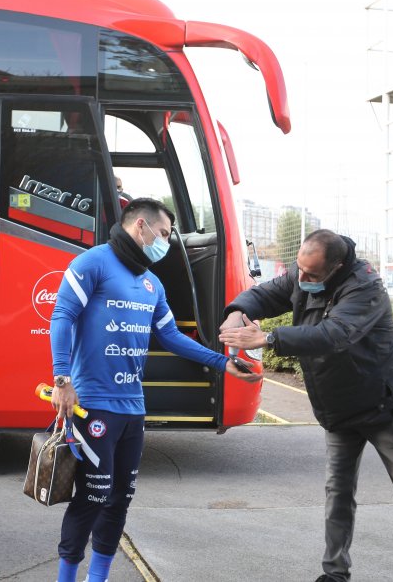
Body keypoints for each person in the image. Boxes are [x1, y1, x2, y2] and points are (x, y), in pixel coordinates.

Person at [218, 229, 393, 582]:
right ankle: (335, 572)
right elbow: (266, 294)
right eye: (300, 270)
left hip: (382, 408)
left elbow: (335, 334)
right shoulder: (304, 273)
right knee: (338, 493)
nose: (303, 279)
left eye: (312, 274)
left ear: (337, 266)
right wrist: (238, 312)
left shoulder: (365, 288)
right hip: (338, 409)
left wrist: (268, 338)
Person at [50, 197, 261, 582]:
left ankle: (98, 578)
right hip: (92, 407)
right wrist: (62, 379)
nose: (165, 242)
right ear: (141, 227)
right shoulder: (92, 263)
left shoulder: (152, 283)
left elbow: (171, 337)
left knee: (119, 500)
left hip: (133, 409)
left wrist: (223, 362)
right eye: (163, 233)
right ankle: (66, 577)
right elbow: (62, 315)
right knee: (92, 498)